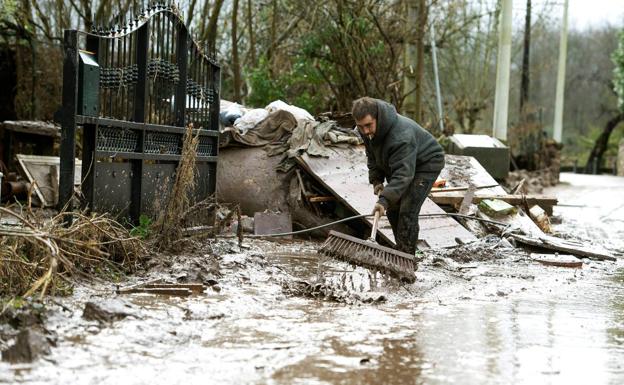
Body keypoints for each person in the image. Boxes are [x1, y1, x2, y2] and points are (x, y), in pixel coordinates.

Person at [352, 97, 445, 255]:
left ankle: (407, 256)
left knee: (408, 209)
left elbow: (403, 175)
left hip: (426, 163)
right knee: (393, 209)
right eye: (361, 127)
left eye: (368, 125)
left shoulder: (400, 136)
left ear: (378, 118)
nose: (365, 131)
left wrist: (384, 199)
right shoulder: (367, 132)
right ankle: (400, 250)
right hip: (403, 162)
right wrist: (376, 180)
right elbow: (372, 156)